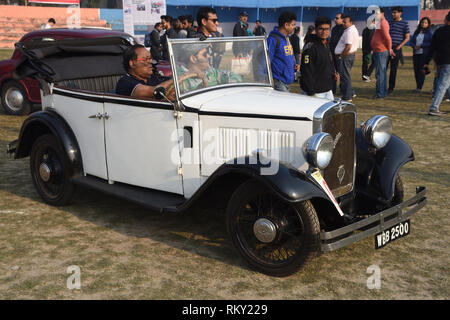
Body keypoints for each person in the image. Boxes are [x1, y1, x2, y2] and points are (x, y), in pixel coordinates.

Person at [176, 43, 242, 94]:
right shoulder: (179, 77)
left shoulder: (211, 71)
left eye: (208, 53)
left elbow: (235, 76)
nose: (209, 56)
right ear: (193, 59)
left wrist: (228, 90)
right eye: (205, 54)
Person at [300, 16, 338, 100]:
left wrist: (333, 73)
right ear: (316, 29)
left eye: (327, 29)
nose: (324, 32)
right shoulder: (310, 47)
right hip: (315, 93)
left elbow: (329, 62)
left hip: (328, 90)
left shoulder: (326, 44)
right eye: (321, 29)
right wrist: (311, 92)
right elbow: (306, 71)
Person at [422, 11, 450, 116]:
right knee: (443, 85)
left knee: (442, 83)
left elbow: (432, 48)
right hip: (448, 62)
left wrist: (426, 62)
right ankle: (434, 108)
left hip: (439, 61)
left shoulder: (438, 31)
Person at [267, 11, 299, 92]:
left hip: (287, 82)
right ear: (286, 25)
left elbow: (285, 57)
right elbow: (266, 61)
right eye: (293, 24)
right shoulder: (273, 39)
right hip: (278, 82)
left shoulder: (287, 38)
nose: (294, 27)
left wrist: (292, 65)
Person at [334, 15, 359, 102]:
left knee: (345, 76)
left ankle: (347, 96)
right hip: (348, 55)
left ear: (351, 22)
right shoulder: (352, 29)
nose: (343, 23)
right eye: (343, 21)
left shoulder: (349, 31)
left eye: (345, 22)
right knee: (346, 75)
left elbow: (348, 46)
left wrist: (341, 56)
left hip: (346, 56)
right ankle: (350, 93)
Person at [371, 7, 394, 99]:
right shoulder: (379, 22)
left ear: (383, 14)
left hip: (381, 51)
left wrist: (389, 49)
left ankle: (380, 94)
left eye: (377, 13)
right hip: (378, 50)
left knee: (380, 73)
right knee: (381, 73)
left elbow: (388, 38)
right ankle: (382, 92)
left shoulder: (383, 23)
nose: (375, 15)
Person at [387, 6, 410, 94]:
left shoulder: (404, 23)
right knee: (383, 68)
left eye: (395, 12)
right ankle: (382, 86)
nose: (393, 14)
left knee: (393, 69)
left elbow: (407, 37)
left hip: (396, 48)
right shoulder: (389, 22)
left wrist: (398, 47)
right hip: (387, 48)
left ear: (400, 13)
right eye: (393, 12)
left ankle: (391, 88)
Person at [410, 17, 433, 92]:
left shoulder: (429, 32)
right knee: (416, 70)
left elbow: (431, 43)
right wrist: (414, 46)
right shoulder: (417, 32)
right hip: (416, 53)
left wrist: (421, 45)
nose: (423, 24)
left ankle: (420, 87)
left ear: (428, 24)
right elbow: (412, 41)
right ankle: (417, 86)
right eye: (422, 22)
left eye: (425, 23)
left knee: (421, 70)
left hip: (424, 54)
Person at [329, 13, 344, 94]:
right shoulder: (334, 28)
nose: (335, 19)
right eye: (335, 18)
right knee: (333, 71)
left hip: (340, 54)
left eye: (337, 18)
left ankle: (344, 90)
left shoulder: (344, 29)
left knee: (341, 73)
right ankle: (333, 89)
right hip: (333, 52)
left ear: (342, 19)